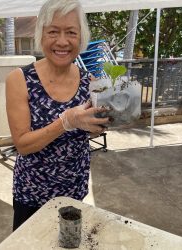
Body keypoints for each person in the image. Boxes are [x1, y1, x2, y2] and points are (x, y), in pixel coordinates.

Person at [6, 0, 109, 231]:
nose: (62, 41)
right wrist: (66, 122)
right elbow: (22, 145)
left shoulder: (90, 81)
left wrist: (103, 122)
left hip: (74, 190)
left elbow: (93, 127)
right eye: (53, 31)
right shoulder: (19, 80)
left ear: (81, 37)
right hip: (32, 193)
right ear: (41, 35)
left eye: (71, 32)